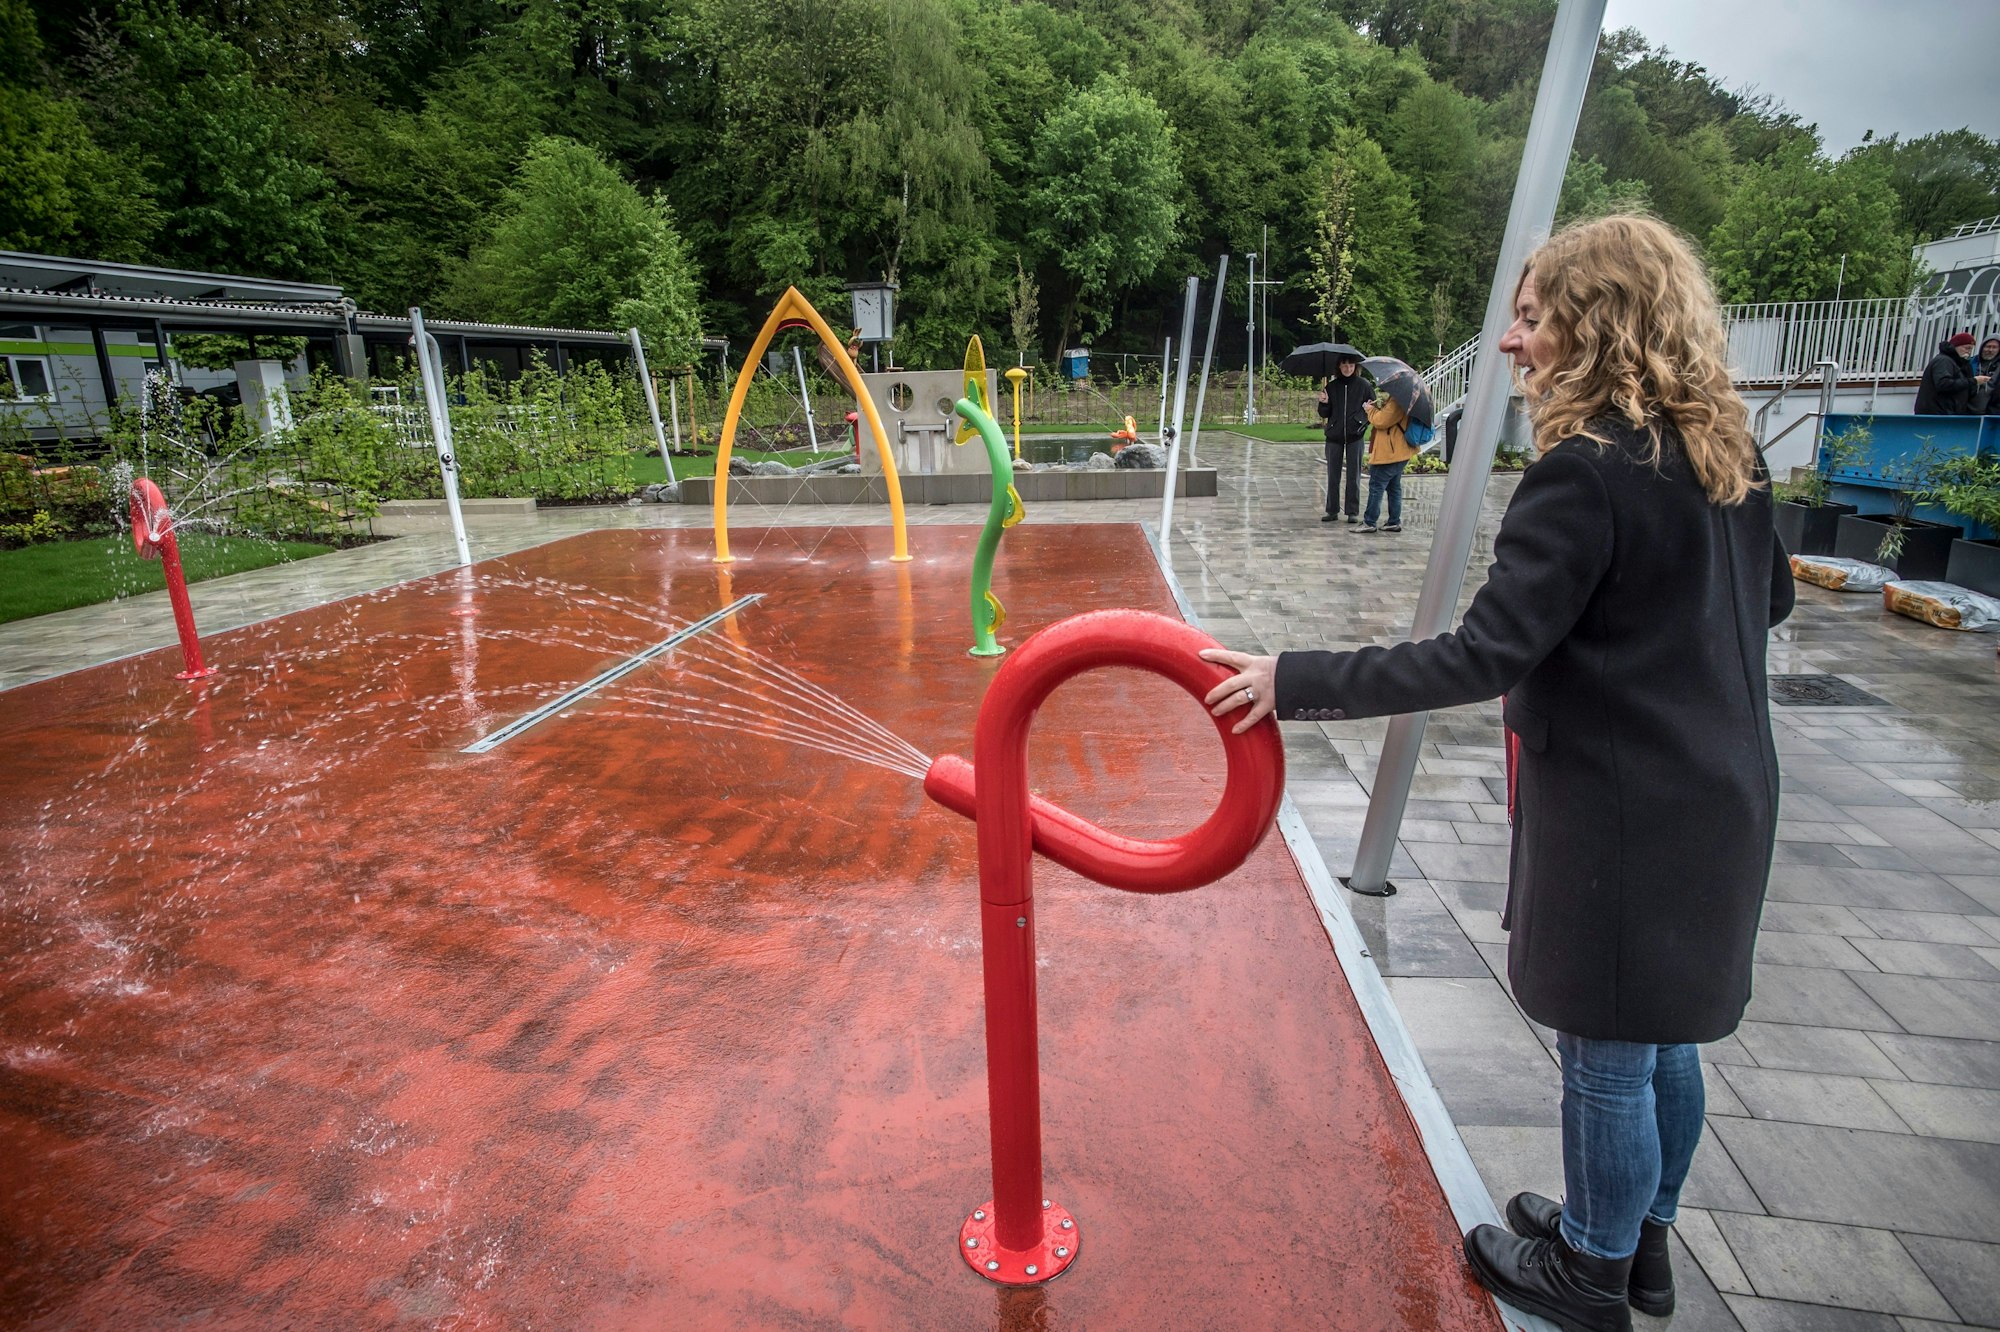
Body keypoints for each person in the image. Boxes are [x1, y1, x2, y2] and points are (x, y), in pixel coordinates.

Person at [1200, 214, 1794, 1332]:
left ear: (1592, 320)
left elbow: (1482, 653)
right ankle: (1638, 1241)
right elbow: (1768, 607)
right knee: (1662, 1033)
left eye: (1529, 317)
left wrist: (1292, 676)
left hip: (1626, 811)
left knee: (1606, 1048)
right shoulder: (1729, 453)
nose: (1512, 343)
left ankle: (1591, 1273)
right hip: (1722, 796)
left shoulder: (1582, 475)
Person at [1316, 357, 1370, 522]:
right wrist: (1324, 403)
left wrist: (1359, 422)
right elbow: (1324, 413)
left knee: (1354, 475)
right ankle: (1332, 510)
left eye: (1351, 365)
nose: (1348, 368)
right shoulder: (1331, 387)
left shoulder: (1364, 385)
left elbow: (1371, 406)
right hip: (1334, 436)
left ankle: (1352, 511)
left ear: (1356, 367)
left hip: (1355, 436)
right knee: (1333, 474)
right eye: (1345, 365)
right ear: (1339, 366)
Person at [1358, 389, 1417, 533]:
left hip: (1390, 453)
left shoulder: (1398, 401)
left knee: (1376, 486)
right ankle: (1393, 521)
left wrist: (1370, 410)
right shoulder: (1399, 398)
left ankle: (1369, 522)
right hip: (1398, 451)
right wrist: (1379, 407)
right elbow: (1388, 418)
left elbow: (1381, 421)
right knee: (1393, 486)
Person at [1915, 332, 1980, 414]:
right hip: (1938, 413)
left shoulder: (1955, 362)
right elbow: (1944, 384)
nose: (1969, 352)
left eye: (1971, 349)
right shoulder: (1944, 361)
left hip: (1943, 412)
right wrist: (1973, 381)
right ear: (1956, 346)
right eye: (1967, 348)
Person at [1973, 335, 2000, 413]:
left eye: (1994, 347)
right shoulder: (1972, 362)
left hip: (1993, 412)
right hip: (1967, 411)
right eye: (1988, 346)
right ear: (1982, 348)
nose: (1990, 350)